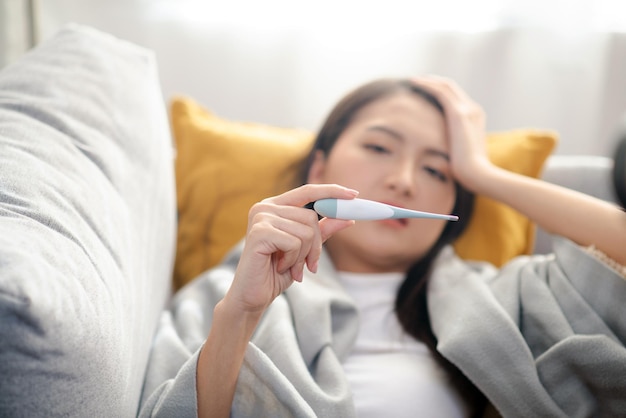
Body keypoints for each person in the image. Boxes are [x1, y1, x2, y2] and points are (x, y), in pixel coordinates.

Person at [139, 76, 626, 418]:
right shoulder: (227, 296)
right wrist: (239, 318)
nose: (404, 182)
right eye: (378, 148)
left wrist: (483, 172)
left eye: (437, 170)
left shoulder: (502, 302)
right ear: (318, 171)